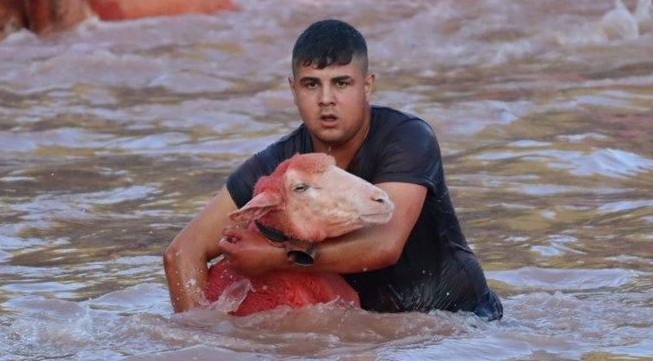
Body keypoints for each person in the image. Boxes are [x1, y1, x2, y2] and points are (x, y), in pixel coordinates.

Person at [164, 19, 503, 319]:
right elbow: (182, 253)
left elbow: (385, 245)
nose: (326, 98)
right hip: (369, 333)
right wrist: (204, 345)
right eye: (312, 84)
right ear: (293, 90)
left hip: (461, 323)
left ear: (367, 86)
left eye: (341, 83)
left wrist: (272, 257)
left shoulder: (408, 138)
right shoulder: (278, 166)